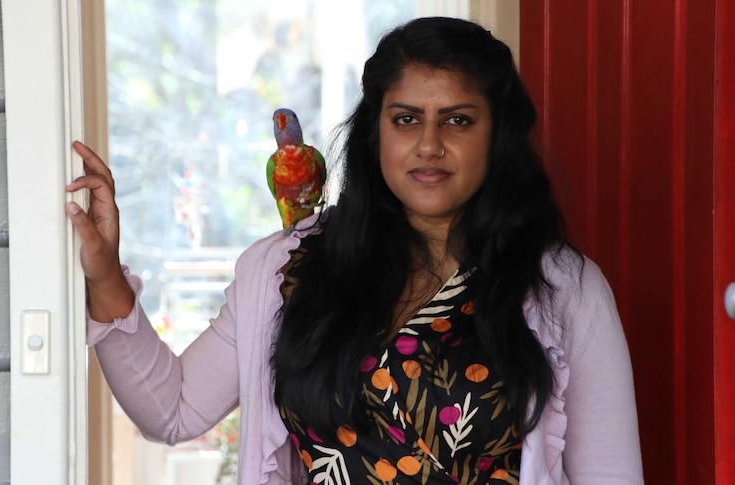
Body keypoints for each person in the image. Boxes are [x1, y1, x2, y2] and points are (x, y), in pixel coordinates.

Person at [66, 17, 643, 484]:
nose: (429, 144)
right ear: (377, 132)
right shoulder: (287, 271)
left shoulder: (564, 289)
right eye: (406, 119)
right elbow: (174, 412)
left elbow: (611, 475)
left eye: (458, 121)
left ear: (497, 137)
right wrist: (105, 276)